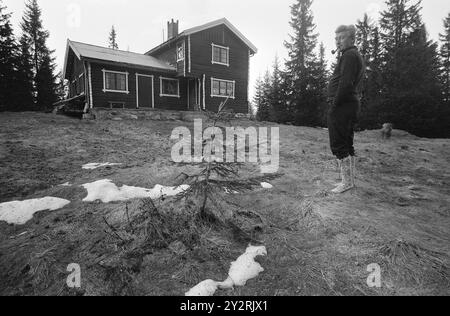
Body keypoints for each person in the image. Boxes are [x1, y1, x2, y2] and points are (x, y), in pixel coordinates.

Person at [327, 25, 365, 194]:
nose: (338, 41)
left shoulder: (349, 55)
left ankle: (346, 182)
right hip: (349, 103)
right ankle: (349, 181)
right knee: (347, 142)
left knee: (338, 143)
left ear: (351, 39)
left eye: (341, 38)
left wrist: (334, 105)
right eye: (336, 38)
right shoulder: (352, 55)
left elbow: (345, 83)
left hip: (343, 105)